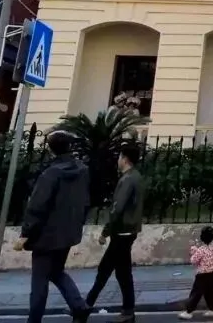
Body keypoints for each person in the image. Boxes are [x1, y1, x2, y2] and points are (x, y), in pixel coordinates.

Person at [15, 130, 90, 323]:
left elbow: (37, 206)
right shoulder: (82, 170)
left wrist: (26, 233)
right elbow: (85, 201)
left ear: (51, 149)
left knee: (39, 281)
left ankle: (34, 319)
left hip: (45, 237)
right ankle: (79, 307)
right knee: (56, 272)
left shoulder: (50, 174)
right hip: (68, 234)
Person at [85, 143, 143, 323]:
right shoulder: (137, 177)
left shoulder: (127, 179)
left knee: (105, 270)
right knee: (122, 273)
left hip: (122, 231)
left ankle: (84, 307)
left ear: (124, 159)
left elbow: (117, 209)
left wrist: (105, 232)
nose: (118, 160)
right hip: (129, 230)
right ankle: (128, 311)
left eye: (119, 156)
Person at [179, 226, 213, 319]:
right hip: (212, 275)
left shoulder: (201, 250)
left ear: (202, 237)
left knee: (196, 294)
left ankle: (188, 312)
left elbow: (193, 261)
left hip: (202, 277)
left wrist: (193, 252)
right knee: (210, 294)